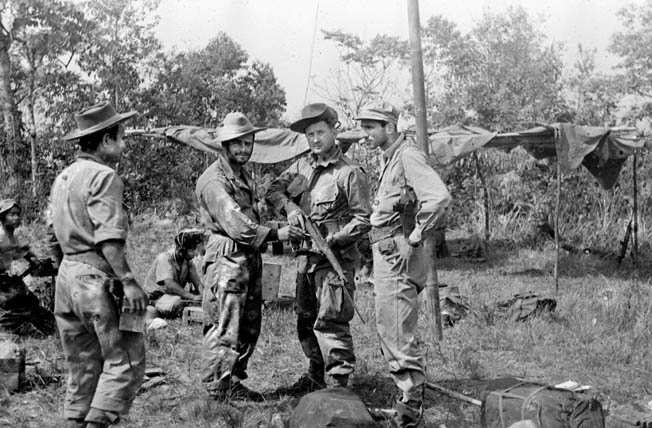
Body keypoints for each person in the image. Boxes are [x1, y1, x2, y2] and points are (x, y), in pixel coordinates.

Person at [48, 101, 147, 428]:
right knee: (124, 362)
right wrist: (129, 281)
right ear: (105, 140)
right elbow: (109, 240)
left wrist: (69, 272)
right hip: (95, 279)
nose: (124, 143)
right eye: (121, 136)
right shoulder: (104, 177)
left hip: (67, 280)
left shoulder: (63, 177)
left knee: (82, 365)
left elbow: (52, 237)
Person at [196, 112, 304, 401]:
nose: (244, 149)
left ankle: (232, 380)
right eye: (237, 144)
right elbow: (237, 224)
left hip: (246, 259)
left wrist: (279, 224)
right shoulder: (214, 181)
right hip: (227, 261)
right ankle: (217, 392)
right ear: (225, 145)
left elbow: (254, 217)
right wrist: (275, 235)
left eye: (248, 143)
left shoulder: (243, 176)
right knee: (224, 324)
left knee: (247, 324)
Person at [356, 102, 451, 428]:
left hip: (396, 251)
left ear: (390, 127)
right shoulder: (392, 158)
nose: (365, 134)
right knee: (390, 326)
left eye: (371, 127)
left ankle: (409, 408)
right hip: (385, 249)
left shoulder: (408, 155)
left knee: (396, 328)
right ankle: (406, 397)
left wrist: (415, 235)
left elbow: (437, 197)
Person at [266, 103, 371, 393]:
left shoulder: (349, 173)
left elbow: (364, 220)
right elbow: (273, 191)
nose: (314, 139)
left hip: (334, 260)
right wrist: (289, 209)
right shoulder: (302, 167)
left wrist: (335, 238)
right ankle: (315, 376)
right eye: (310, 134)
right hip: (306, 261)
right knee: (305, 320)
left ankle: (338, 386)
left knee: (332, 322)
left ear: (334, 131)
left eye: (320, 132)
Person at [0, 199, 56, 337]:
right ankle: (4, 332)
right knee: (17, 304)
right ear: (2, 217)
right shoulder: (0, 237)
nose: (16, 218)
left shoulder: (15, 236)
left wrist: (42, 262)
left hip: (7, 279)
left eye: (18, 214)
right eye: (12, 214)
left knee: (31, 303)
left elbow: (30, 254)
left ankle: (53, 331)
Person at [143, 228, 205, 318]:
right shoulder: (164, 258)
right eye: (192, 250)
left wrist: (205, 297)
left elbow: (198, 283)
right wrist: (192, 297)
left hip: (173, 296)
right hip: (157, 298)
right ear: (183, 249)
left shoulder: (188, 262)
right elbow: (170, 285)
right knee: (178, 303)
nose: (195, 254)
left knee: (202, 297)